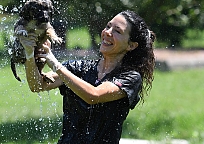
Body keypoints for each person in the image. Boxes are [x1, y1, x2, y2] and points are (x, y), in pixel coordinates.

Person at [19, 10, 156, 143]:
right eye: (108, 26)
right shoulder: (79, 68)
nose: (107, 32)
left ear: (131, 45)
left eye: (117, 31)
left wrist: (54, 63)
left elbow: (93, 95)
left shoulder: (130, 77)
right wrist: (30, 53)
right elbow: (38, 85)